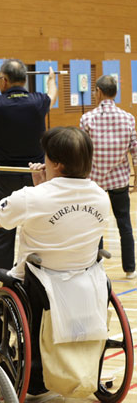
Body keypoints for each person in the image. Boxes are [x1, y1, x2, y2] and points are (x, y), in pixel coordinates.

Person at [0, 126, 110, 397]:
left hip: (38, 285)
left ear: (55, 162)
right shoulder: (100, 196)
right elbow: (63, 215)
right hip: (87, 282)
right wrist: (45, 186)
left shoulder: (32, 198)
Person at [0, 59, 57, 271]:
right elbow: (52, 94)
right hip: (37, 174)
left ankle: (0, 282)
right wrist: (52, 79)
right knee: (40, 226)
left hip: (6, 176)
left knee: (3, 229)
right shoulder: (38, 102)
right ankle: (37, 274)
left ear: (4, 80)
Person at [80, 74, 137, 279]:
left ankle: (97, 264)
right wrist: (136, 176)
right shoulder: (128, 118)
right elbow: (135, 150)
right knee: (124, 223)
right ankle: (130, 268)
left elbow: (83, 152)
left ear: (99, 92)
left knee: (95, 223)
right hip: (120, 180)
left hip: (94, 181)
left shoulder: (87, 118)